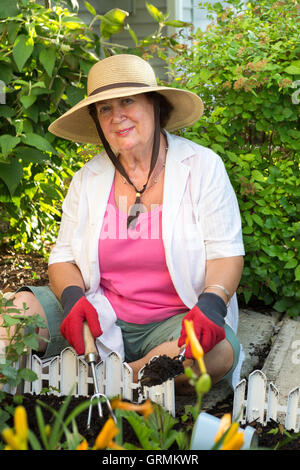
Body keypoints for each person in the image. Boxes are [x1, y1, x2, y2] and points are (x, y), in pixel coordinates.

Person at [2, 54, 245, 390]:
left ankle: (118, 381)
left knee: (214, 353)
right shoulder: (88, 179)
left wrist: (213, 301)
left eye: (128, 101)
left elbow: (226, 252)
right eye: (104, 109)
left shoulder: (202, 167)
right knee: (15, 312)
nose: (117, 116)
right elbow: (62, 258)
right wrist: (74, 302)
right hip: (100, 318)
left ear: (156, 105)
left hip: (175, 323)